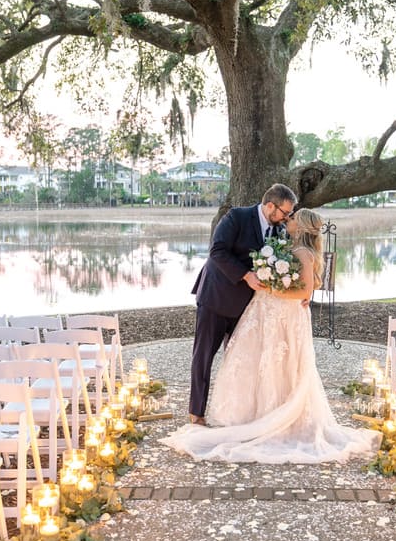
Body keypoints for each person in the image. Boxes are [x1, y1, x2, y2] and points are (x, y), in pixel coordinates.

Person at [163, 208, 380, 464]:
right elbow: (224, 253)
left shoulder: (303, 252)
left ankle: (275, 415)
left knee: (279, 364)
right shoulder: (280, 239)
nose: (287, 219)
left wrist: (272, 290)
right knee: (258, 362)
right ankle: (251, 413)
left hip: (282, 314)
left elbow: (305, 292)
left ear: (300, 227)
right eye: (287, 214)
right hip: (262, 311)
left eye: (292, 218)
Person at [187, 183, 298, 426]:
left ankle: (235, 413)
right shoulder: (237, 216)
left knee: (240, 360)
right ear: (270, 205)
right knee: (203, 356)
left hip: (248, 307)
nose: (286, 218)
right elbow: (217, 251)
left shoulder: (279, 231)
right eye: (284, 212)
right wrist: (246, 275)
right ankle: (196, 413)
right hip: (215, 297)